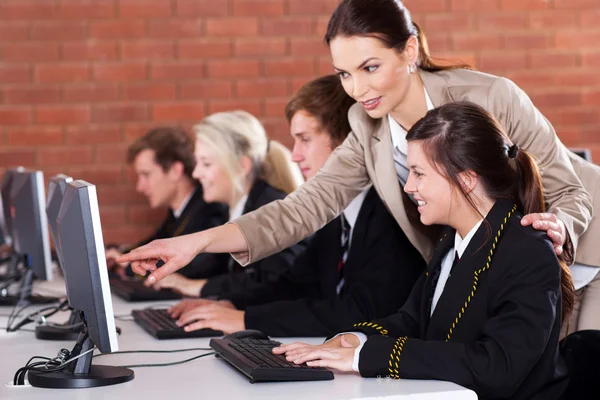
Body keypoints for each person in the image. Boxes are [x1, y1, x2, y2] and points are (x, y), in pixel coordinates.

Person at [117, 0, 599, 331]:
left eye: (370, 67)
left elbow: (570, 188)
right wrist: (195, 241)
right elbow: (302, 209)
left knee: (573, 369)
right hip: (506, 272)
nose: (359, 89)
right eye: (345, 74)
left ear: (409, 51)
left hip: (587, 254)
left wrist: (560, 226)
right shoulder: (365, 123)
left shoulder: (492, 96)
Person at [275, 102, 574, 400]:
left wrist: (366, 357)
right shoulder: (450, 240)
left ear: (466, 180)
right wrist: (354, 339)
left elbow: (497, 367)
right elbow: (414, 321)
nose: (408, 186)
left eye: (419, 173)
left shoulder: (527, 251)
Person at [165, 75, 426, 336]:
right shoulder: (338, 214)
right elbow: (295, 284)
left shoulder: (389, 214)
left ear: (349, 143)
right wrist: (230, 305)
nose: (295, 155)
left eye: (305, 139)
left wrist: (246, 320)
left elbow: (362, 311)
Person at [148, 111, 306, 297]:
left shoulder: (272, 209)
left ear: (241, 166)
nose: (197, 173)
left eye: (206, 164)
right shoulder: (232, 210)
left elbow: (275, 283)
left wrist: (197, 287)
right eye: (197, 163)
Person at [105, 126, 228, 279]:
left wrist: (129, 267)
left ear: (175, 171)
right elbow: (152, 244)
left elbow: (198, 266)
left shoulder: (210, 209)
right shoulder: (178, 212)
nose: (140, 187)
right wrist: (120, 254)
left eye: (146, 174)